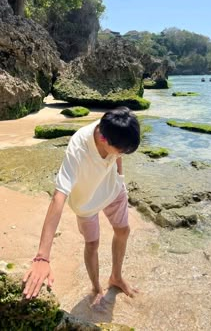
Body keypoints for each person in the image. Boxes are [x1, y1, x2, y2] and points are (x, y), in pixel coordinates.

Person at [22, 106, 140, 307]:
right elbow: (58, 197)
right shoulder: (78, 147)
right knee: (92, 244)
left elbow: (118, 155)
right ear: (103, 140)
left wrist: (120, 177)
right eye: (123, 150)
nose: (124, 153)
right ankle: (96, 288)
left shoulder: (115, 130)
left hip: (112, 187)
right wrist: (42, 258)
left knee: (123, 230)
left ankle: (116, 277)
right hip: (86, 201)